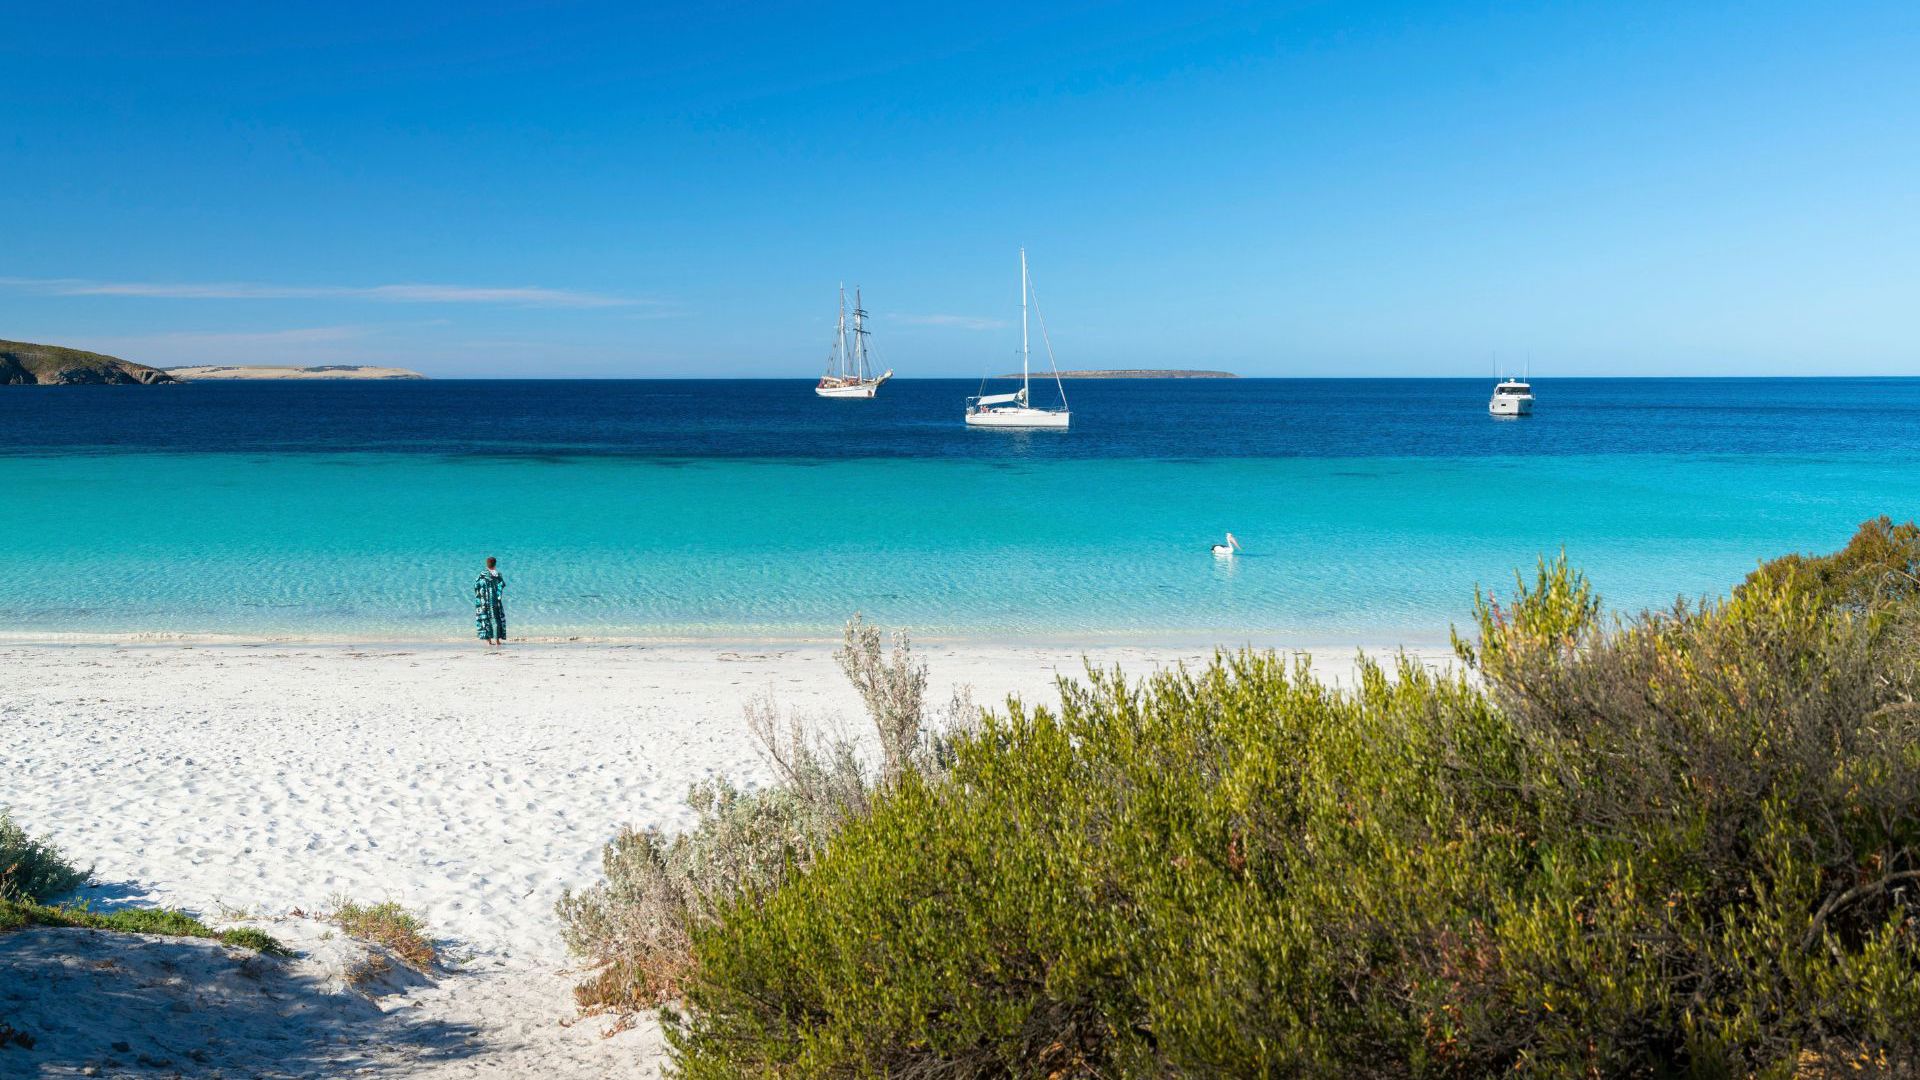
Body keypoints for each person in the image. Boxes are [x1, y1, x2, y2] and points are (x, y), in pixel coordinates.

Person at [474, 556, 506, 649]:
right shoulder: (498, 575)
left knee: (485, 619)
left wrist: (481, 596)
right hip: (495, 600)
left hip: (484, 601)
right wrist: (498, 594)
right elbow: (502, 584)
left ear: (486, 564)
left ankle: (488, 641)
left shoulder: (481, 575)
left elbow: (476, 586)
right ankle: (497, 641)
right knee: (496, 619)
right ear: (495, 564)